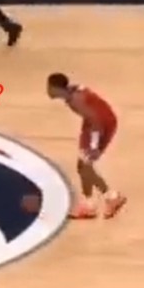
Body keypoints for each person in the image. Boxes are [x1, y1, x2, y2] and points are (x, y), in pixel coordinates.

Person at [46, 73, 127, 219]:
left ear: (56, 88)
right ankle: (88, 205)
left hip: (101, 125)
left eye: (49, 87)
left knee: (85, 167)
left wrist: (94, 146)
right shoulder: (72, 93)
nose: (47, 90)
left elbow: (96, 120)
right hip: (95, 123)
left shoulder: (76, 100)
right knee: (82, 166)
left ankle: (112, 196)